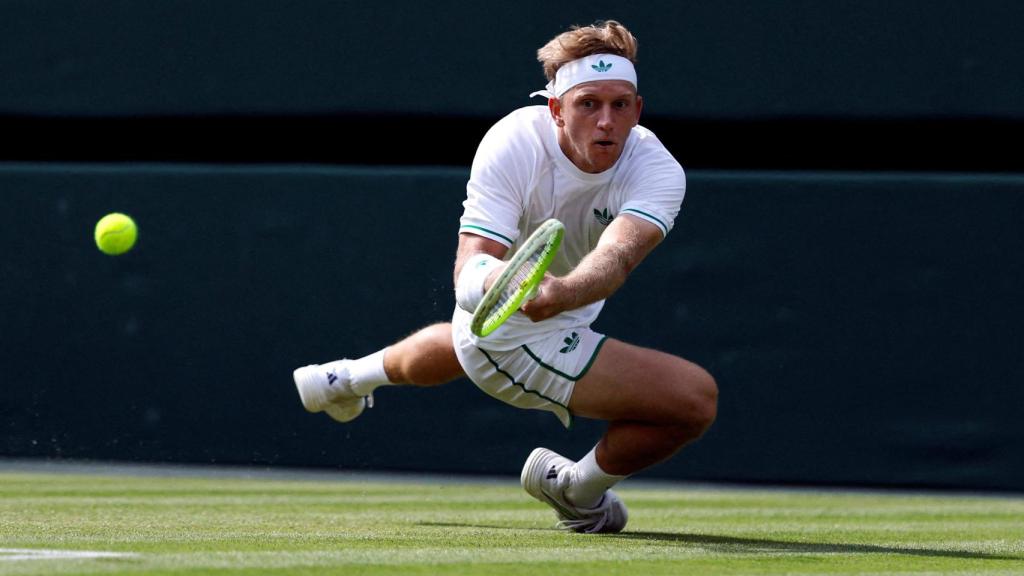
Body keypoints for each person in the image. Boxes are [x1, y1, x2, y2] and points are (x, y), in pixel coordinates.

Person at [293, 20, 717, 534]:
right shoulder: (514, 139)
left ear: (638, 109)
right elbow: (471, 264)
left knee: (459, 340)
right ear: (556, 110)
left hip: (556, 310)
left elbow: (617, 258)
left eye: (620, 104)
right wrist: (507, 287)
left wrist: (558, 293)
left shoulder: (657, 169)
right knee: (694, 399)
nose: (606, 121)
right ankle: (576, 488)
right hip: (507, 330)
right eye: (588, 104)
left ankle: (343, 378)